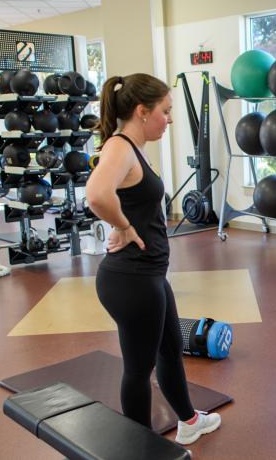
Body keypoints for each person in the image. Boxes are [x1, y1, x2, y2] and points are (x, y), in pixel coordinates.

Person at [86, 73, 221, 445]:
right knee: (138, 369)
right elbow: (97, 194)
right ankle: (138, 448)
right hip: (131, 279)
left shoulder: (131, 146)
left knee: (170, 349)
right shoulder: (120, 146)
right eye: (166, 111)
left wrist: (124, 220)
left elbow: (120, 196)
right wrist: (124, 225)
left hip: (148, 275)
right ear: (143, 111)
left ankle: (189, 420)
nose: (170, 119)